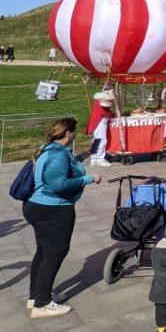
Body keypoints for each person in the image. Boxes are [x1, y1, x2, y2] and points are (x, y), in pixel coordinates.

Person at [23, 118, 101, 319]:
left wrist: (80, 158)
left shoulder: (49, 148)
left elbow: (59, 169)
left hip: (38, 207)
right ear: (68, 134)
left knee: (43, 251)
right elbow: (58, 184)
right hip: (52, 210)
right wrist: (89, 178)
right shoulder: (58, 156)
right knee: (55, 253)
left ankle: (37, 295)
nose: (76, 134)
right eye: (75, 132)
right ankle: (42, 304)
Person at [86, 89, 115, 167]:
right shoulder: (101, 101)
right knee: (102, 141)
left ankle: (93, 159)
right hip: (99, 123)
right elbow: (103, 112)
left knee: (96, 141)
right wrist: (111, 115)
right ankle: (100, 160)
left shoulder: (99, 100)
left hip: (99, 122)